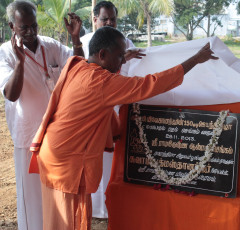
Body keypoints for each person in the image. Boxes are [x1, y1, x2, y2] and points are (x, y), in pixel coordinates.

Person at [29, 26, 218, 229]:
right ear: (102, 54)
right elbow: (149, 84)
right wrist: (194, 60)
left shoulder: (79, 66)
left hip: (55, 154)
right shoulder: (100, 81)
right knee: (69, 223)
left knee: (59, 221)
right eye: (119, 56)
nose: (121, 61)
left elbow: (104, 79)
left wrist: (123, 57)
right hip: (68, 164)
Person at [0, 1, 83, 229]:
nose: (30, 32)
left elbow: (80, 68)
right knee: (32, 199)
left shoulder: (50, 46)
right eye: (23, 27)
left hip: (56, 136)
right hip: (28, 138)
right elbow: (11, 94)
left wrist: (76, 41)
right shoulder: (5, 53)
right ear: (12, 26)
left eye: (33, 26)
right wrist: (20, 62)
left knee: (55, 193)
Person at [80, 1, 144, 218]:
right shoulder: (84, 42)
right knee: (96, 156)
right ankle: (96, 206)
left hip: (118, 106)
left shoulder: (124, 41)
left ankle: (110, 205)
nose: (109, 22)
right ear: (95, 19)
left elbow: (131, 72)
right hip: (94, 111)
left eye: (112, 19)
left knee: (115, 158)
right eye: (104, 19)